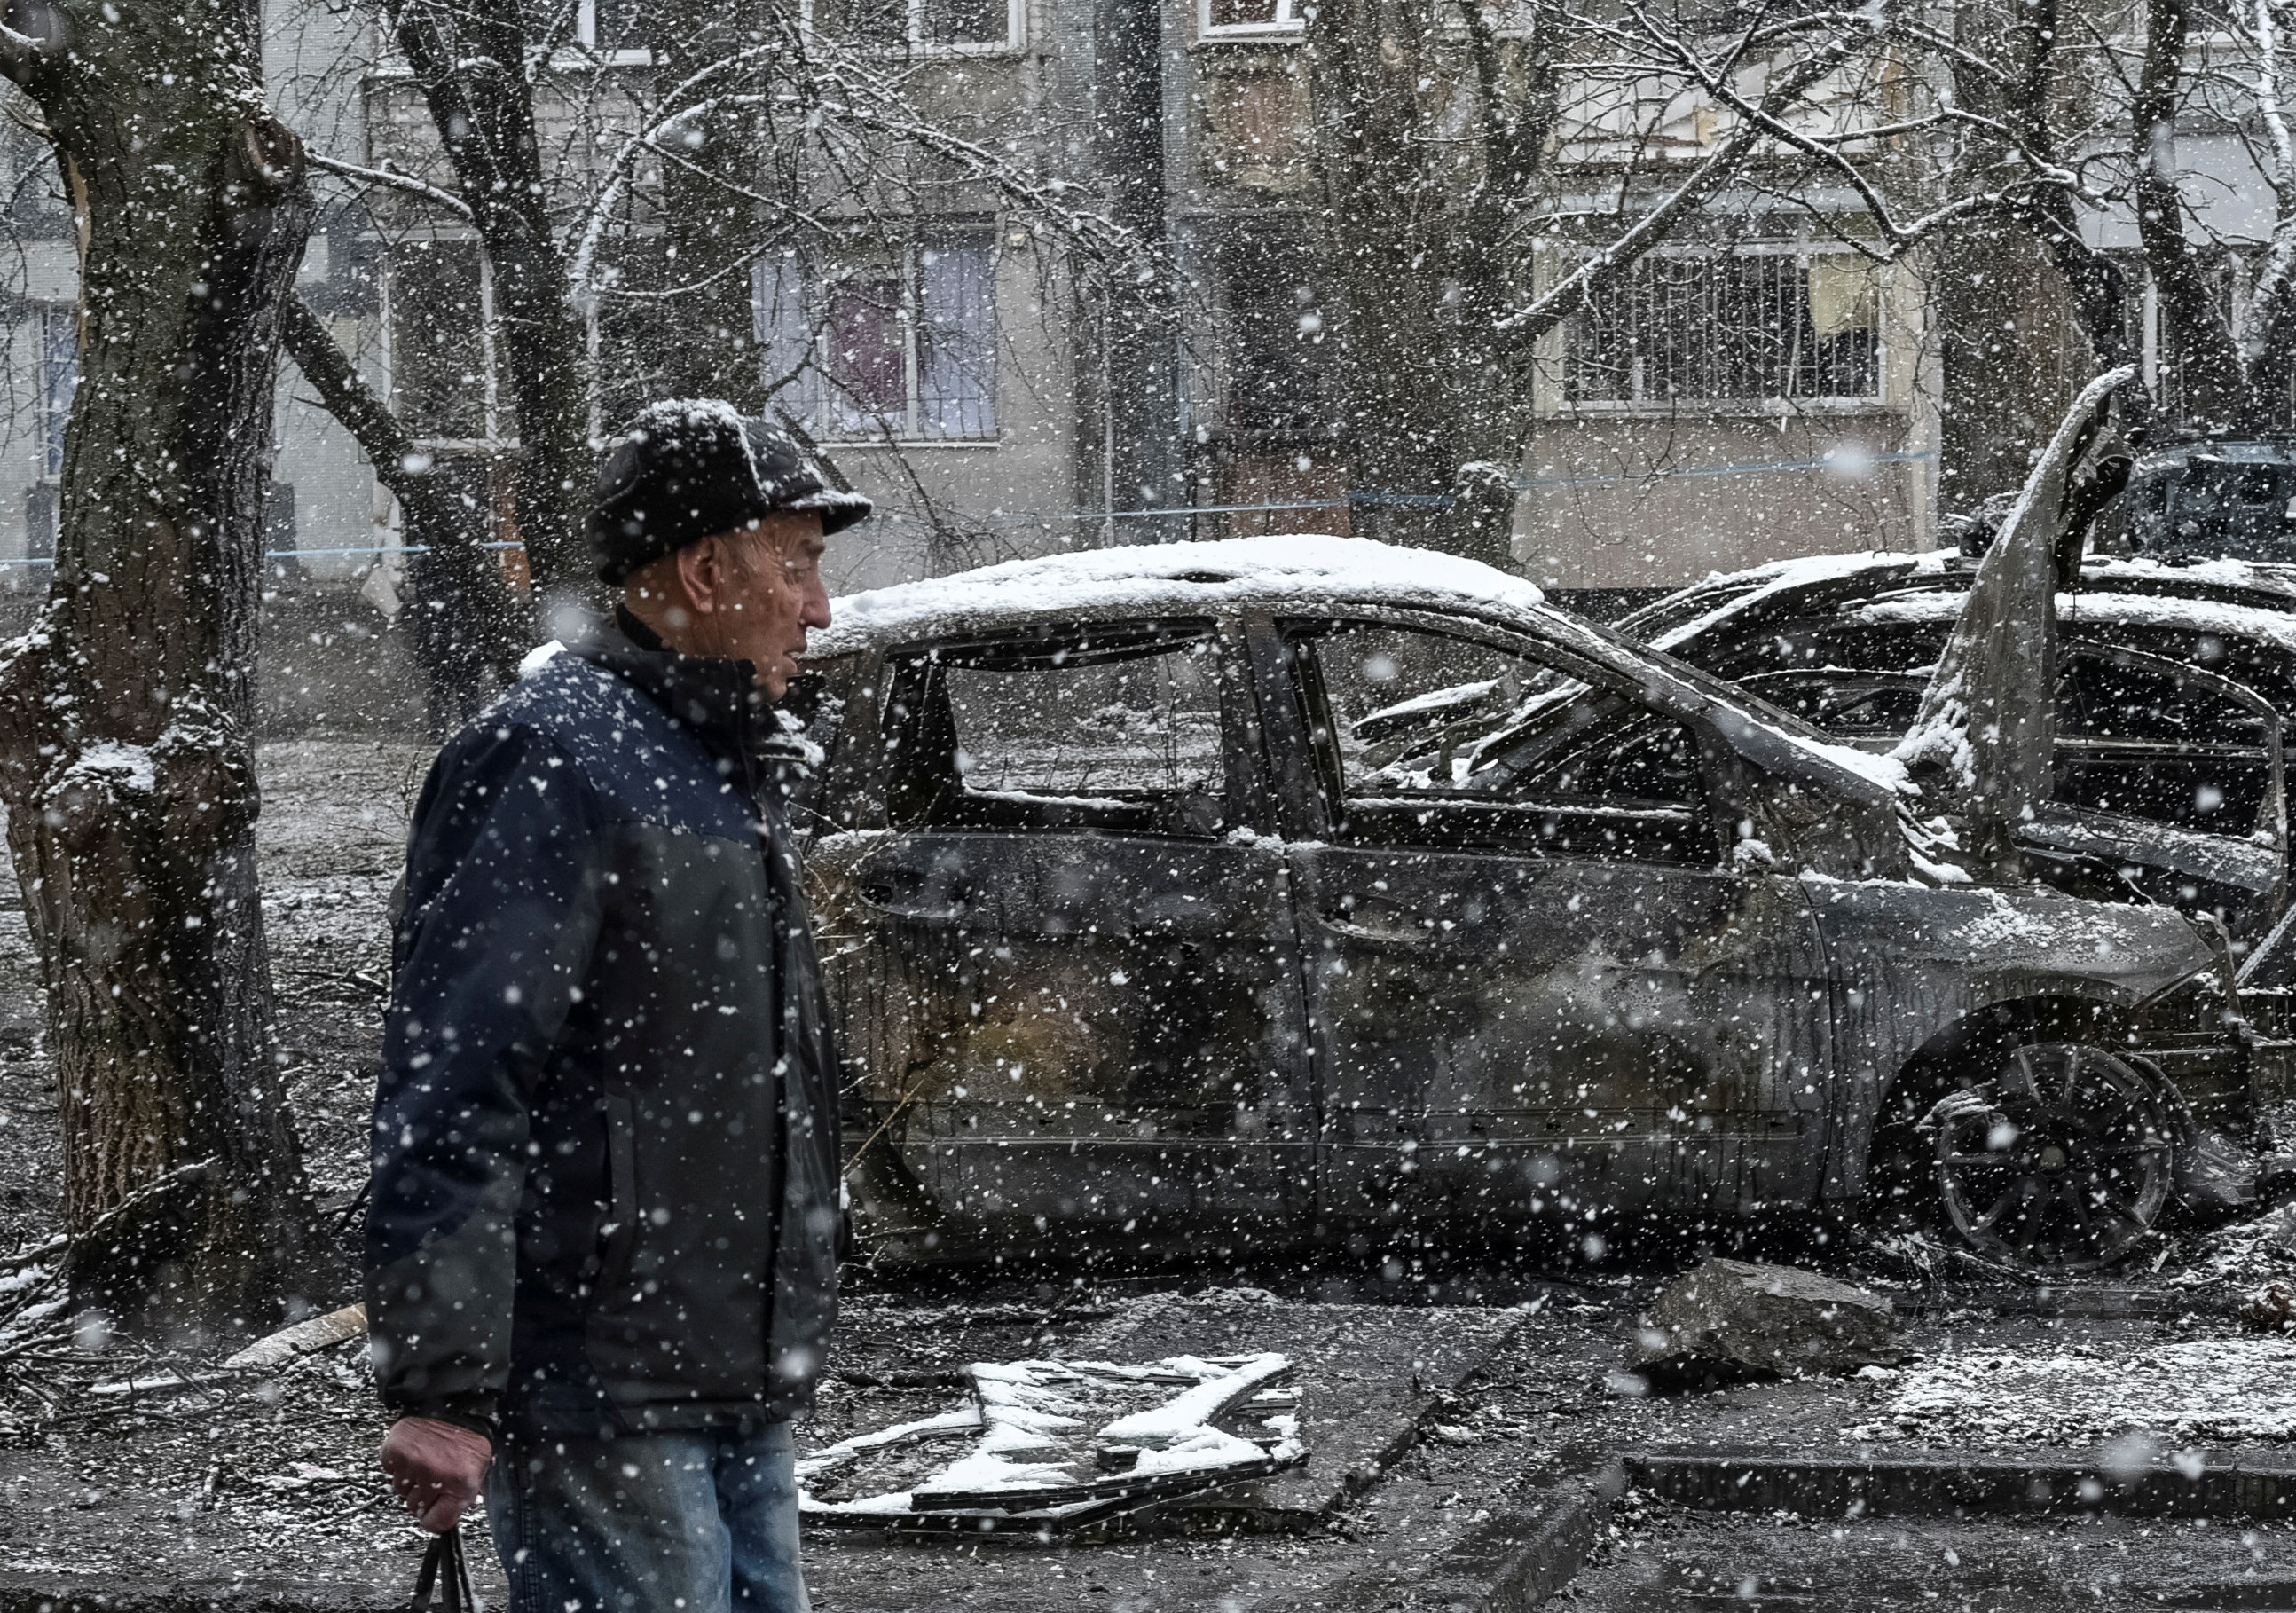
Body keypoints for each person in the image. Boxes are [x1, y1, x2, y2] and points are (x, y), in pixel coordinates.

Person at [364, 400, 870, 1613]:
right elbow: (455, 1077)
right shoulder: (552, 758)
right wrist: (440, 1383)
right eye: (797, 565)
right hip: (602, 1387)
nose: (821, 607)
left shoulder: (713, 762)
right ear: (704, 567)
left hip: (726, 1377)